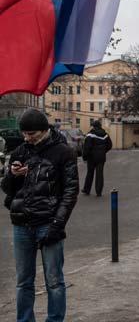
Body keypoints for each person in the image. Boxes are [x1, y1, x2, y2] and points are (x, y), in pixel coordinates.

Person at [1, 108, 79, 322]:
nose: (28, 138)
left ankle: (54, 320)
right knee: (23, 281)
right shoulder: (20, 152)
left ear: (45, 130)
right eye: (25, 134)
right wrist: (12, 174)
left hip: (48, 223)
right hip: (21, 224)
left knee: (54, 281)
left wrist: (58, 224)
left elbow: (70, 192)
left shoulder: (63, 152)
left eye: (32, 134)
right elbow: (7, 189)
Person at [81, 120, 112, 196]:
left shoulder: (90, 135)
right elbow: (110, 145)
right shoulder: (105, 135)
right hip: (101, 158)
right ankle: (99, 192)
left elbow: (86, 147)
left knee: (90, 173)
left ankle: (86, 190)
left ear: (94, 126)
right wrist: (103, 151)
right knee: (99, 174)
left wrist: (85, 157)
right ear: (100, 126)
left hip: (91, 158)